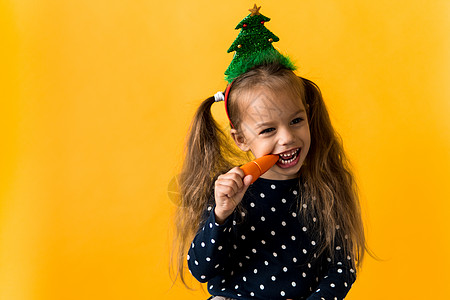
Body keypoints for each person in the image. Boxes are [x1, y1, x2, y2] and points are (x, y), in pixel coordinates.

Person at [172, 5, 367, 300]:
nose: (288, 138)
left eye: (296, 121)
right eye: (268, 130)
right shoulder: (230, 192)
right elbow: (202, 269)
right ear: (240, 138)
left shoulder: (324, 186)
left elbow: (341, 268)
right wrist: (221, 215)